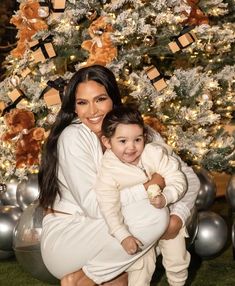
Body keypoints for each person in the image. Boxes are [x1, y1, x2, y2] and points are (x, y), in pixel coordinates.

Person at [38, 64, 200, 286]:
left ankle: (107, 275)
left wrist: (178, 216)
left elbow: (188, 178)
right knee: (154, 216)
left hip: (114, 233)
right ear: (74, 108)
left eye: (100, 99)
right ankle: (86, 279)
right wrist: (149, 187)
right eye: (82, 103)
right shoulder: (73, 136)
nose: (92, 111)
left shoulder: (137, 132)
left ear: (113, 99)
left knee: (158, 221)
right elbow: (95, 207)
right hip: (71, 238)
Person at [95, 106, 187, 258]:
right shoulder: (108, 172)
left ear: (144, 136)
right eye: (123, 141)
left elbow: (177, 178)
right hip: (138, 226)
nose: (131, 147)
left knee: (177, 259)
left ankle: (178, 281)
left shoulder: (153, 154)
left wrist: (166, 197)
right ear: (107, 142)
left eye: (137, 139)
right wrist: (123, 235)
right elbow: (108, 207)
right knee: (142, 267)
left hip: (167, 214)